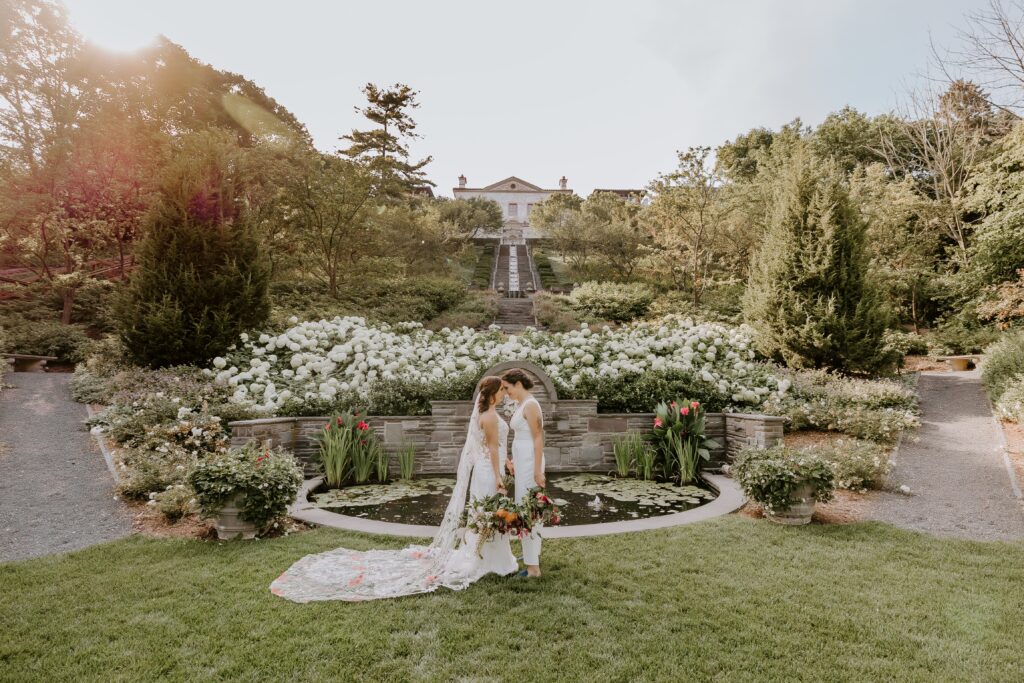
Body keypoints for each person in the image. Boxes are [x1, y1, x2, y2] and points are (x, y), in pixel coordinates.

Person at [269, 376, 516, 603]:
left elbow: (491, 447)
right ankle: (488, 560)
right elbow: (492, 448)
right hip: (488, 473)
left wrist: (505, 463)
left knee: (483, 513)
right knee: (486, 512)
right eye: (502, 390)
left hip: (488, 468)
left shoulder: (487, 414)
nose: (505, 393)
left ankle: (485, 555)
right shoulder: (491, 417)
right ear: (493, 393)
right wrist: (498, 477)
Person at [500, 368, 546, 578]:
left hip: (530, 462)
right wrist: (512, 461)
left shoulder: (531, 405)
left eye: (507, 388)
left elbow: (538, 438)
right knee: (525, 507)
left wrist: (537, 470)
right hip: (523, 460)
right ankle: (531, 555)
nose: (506, 392)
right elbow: (521, 437)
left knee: (527, 510)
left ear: (518, 383)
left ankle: (533, 568)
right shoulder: (522, 405)